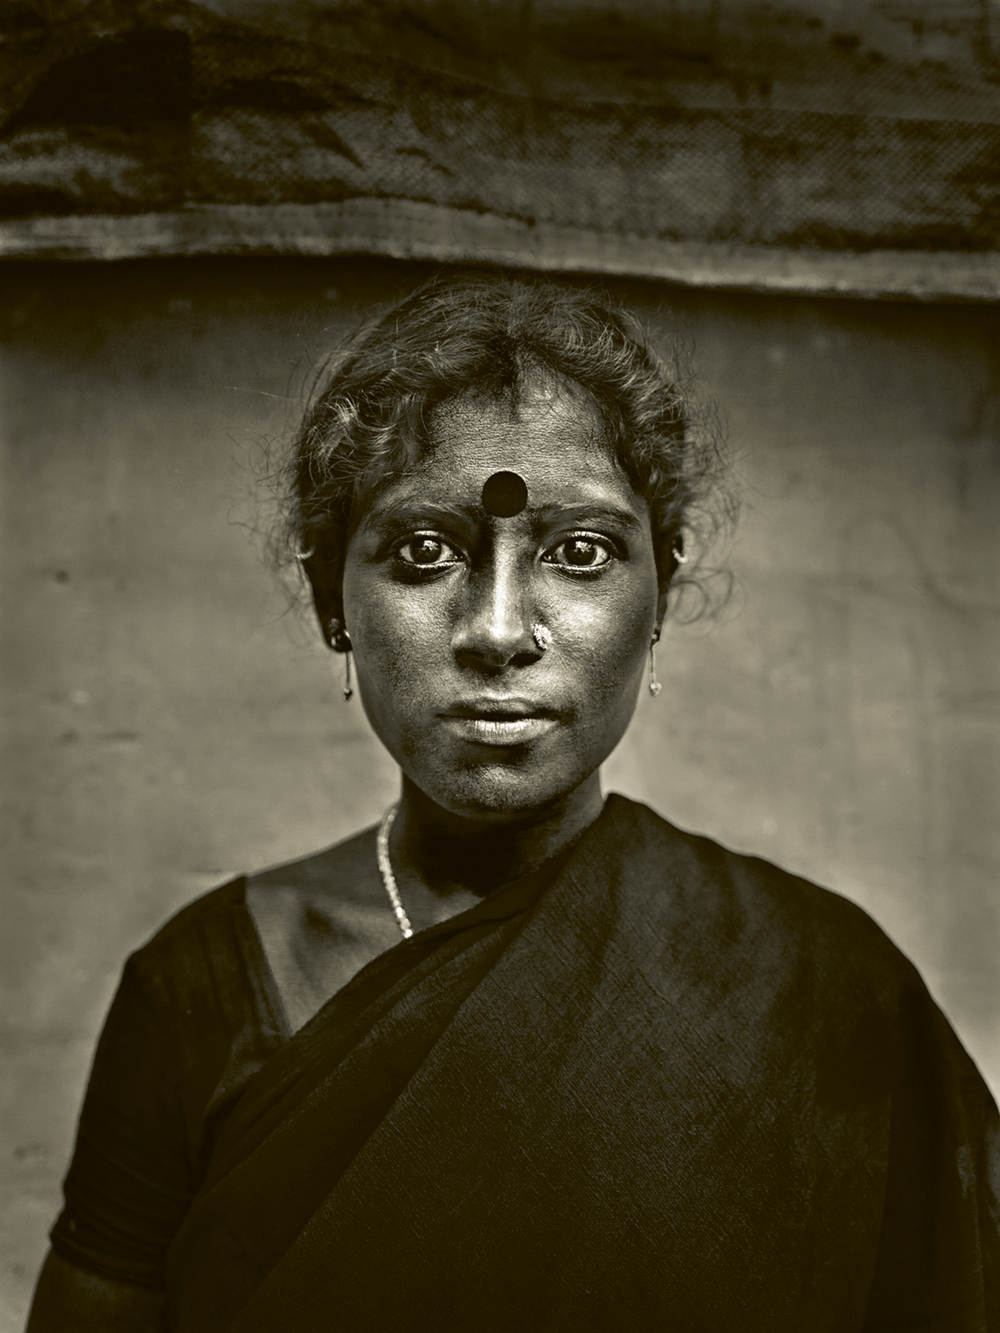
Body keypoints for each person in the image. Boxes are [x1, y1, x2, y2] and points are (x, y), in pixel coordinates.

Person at [27, 276, 1000, 1332]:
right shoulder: (200, 993)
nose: (496, 630)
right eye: (423, 552)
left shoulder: (824, 992)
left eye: (578, 553)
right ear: (329, 602)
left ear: (659, 597)